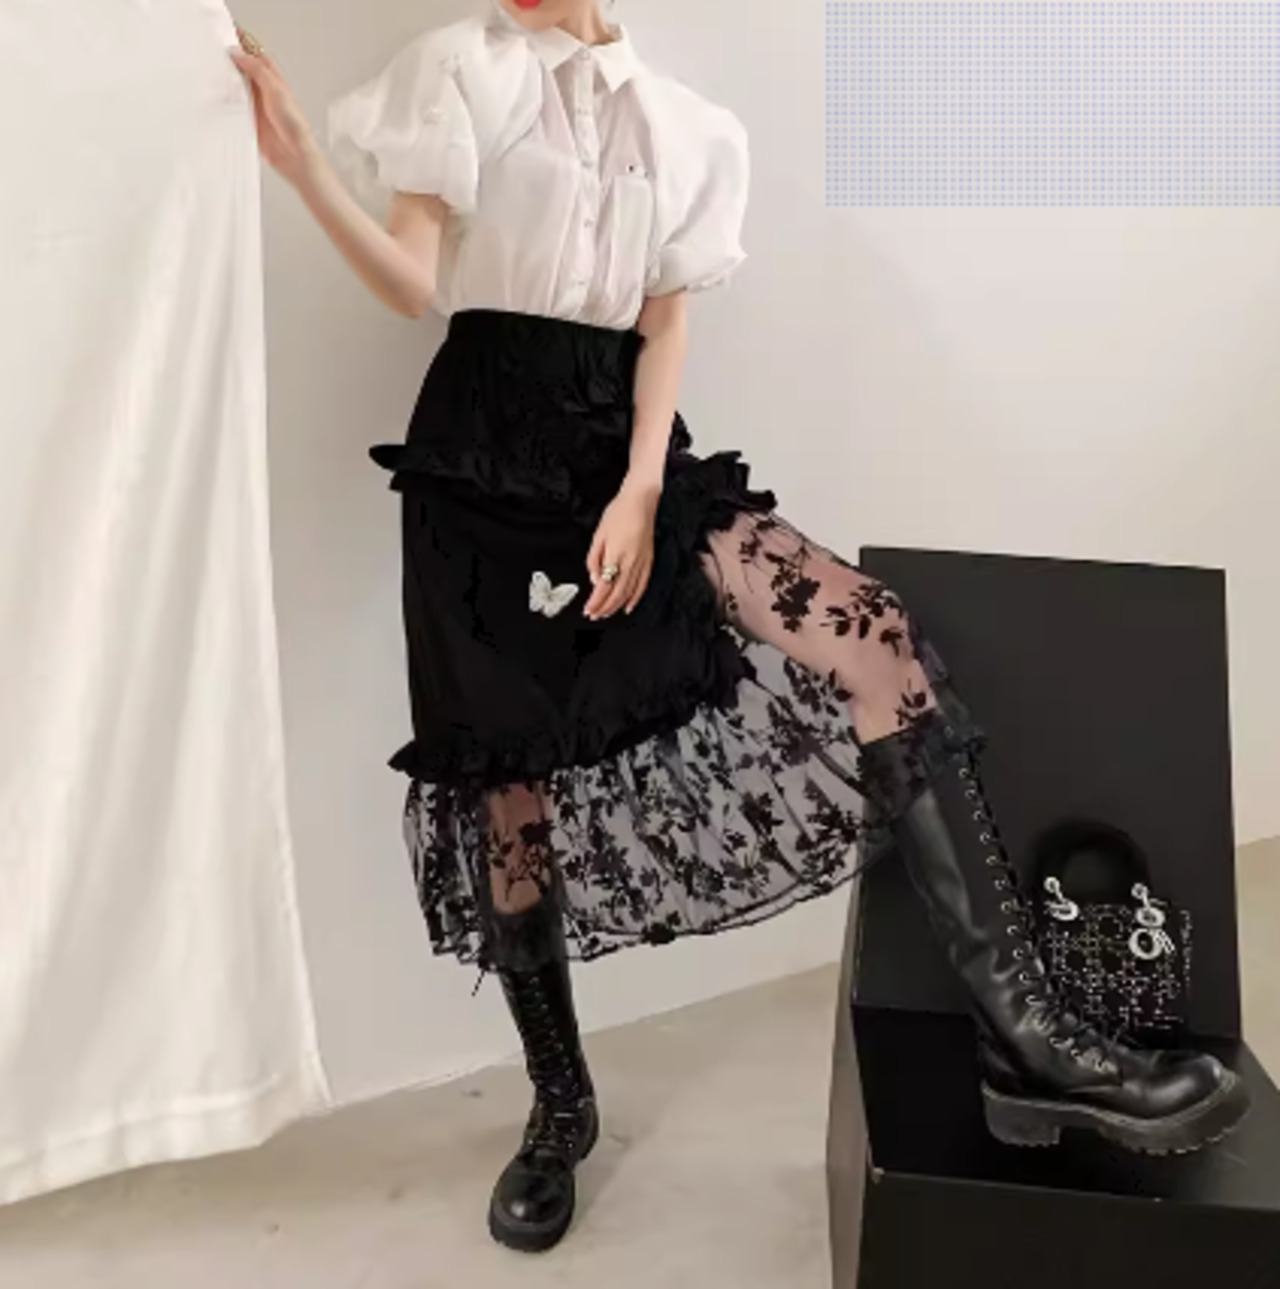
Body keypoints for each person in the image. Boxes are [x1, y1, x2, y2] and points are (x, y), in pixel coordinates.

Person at [232, 0, 1248, 1256]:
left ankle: (1024, 1036)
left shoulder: (684, 130)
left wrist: (640, 489)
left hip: (616, 443)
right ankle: (559, 1106)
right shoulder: (456, 71)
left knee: (869, 633)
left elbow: (663, 320)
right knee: (508, 789)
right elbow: (413, 283)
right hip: (475, 465)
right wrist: (301, 165)